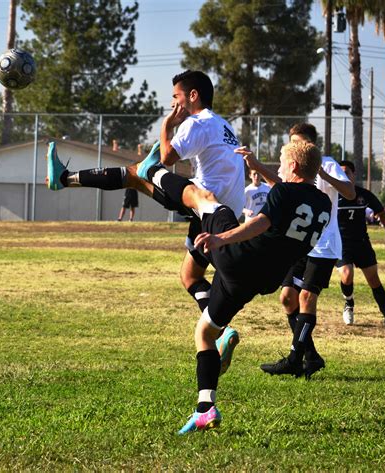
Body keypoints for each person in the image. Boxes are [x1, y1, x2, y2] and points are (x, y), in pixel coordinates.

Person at [47, 70, 245, 373]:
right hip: (224, 211)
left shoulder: (196, 122)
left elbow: (167, 156)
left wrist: (168, 124)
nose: (173, 104)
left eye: (176, 97)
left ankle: (64, 179)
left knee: (140, 172)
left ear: (192, 96)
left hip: (204, 202)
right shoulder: (224, 125)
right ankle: (221, 329)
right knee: (190, 276)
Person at [145, 140, 329, 434]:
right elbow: (289, 193)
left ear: (293, 166)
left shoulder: (282, 191)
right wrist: (258, 167)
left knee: (205, 197)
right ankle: (205, 408)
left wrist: (222, 239)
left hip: (238, 259)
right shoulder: (323, 203)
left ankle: (151, 170)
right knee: (204, 332)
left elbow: (260, 223)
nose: (278, 168)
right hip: (262, 280)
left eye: (281, 162)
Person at [240, 123, 356, 379]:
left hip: (323, 244)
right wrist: (257, 166)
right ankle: (311, 356)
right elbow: (284, 186)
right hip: (299, 241)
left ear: (312, 145)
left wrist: (324, 176)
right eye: (292, 142)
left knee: (306, 298)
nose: (295, 147)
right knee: (287, 298)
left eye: (299, 142)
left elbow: (350, 192)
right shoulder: (294, 163)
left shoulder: (327, 163)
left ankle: (295, 358)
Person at [337, 160, 385, 328]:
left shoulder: (363, 195)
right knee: (346, 274)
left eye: (347, 173)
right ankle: (349, 303)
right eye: (341, 173)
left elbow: (381, 212)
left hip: (362, 243)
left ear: (354, 175)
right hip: (342, 244)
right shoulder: (332, 196)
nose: (344, 176)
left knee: (373, 279)